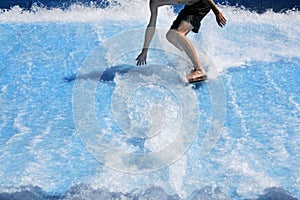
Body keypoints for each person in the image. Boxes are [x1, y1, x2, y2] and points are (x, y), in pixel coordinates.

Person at [136, 0, 226, 83]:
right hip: (190, 6)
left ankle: (200, 70)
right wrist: (144, 51)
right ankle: (193, 60)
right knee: (170, 36)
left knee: (179, 34)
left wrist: (217, 12)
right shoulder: (154, 2)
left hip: (202, 4)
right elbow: (151, 26)